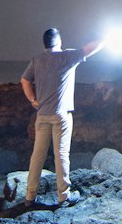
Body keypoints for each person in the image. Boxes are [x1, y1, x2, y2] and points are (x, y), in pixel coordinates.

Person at [21, 27, 102, 206]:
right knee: (62, 155)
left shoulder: (37, 60)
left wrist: (33, 100)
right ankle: (63, 195)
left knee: (37, 156)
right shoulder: (66, 57)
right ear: (58, 41)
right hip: (61, 116)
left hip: (41, 115)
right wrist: (105, 38)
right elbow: (90, 49)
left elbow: (25, 80)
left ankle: (29, 196)